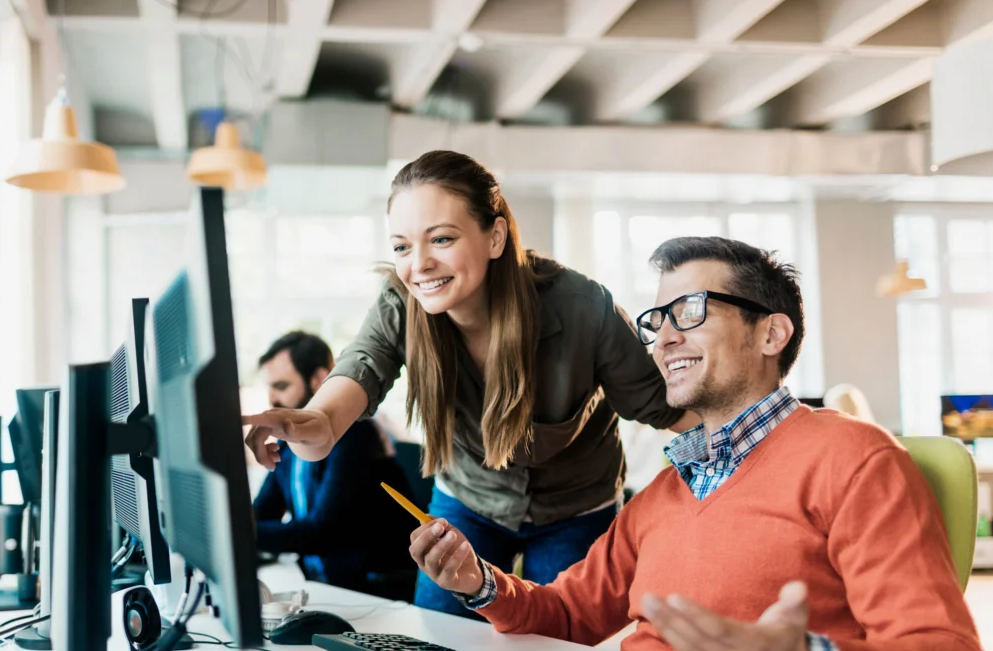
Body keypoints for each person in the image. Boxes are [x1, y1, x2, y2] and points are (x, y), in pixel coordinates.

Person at [408, 236, 993, 651]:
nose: (662, 340)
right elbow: (568, 616)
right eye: (657, 321)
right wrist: (479, 582)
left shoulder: (853, 459)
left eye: (690, 312)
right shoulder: (665, 491)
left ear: (771, 334)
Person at [244, 151, 695, 618]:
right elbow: (360, 368)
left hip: (576, 508)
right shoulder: (400, 302)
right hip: (469, 500)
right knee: (440, 645)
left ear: (495, 236)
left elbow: (664, 409)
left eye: (441, 238)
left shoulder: (582, 307)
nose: (418, 265)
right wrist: (313, 424)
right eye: (401, 247)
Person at [250, 331, 417, 600]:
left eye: (281, 386)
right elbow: (265, 511)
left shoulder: (356, 435)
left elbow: (322, 531)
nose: (272, 400)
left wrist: (239, 531)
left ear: (317, 380)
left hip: (373, 592)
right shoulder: (288, 446)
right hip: (323, 588)